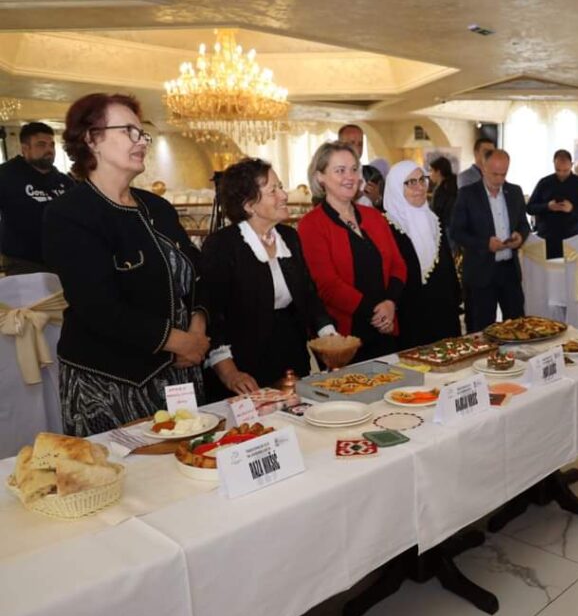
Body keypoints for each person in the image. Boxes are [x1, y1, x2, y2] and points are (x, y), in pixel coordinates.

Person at [42, 93, 210, 436]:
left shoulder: (158, 207)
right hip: (110, 383)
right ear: (92, 140)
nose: (141, 141)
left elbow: (198, 275)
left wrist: (197, 328)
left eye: (142, 133)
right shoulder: (70, 213)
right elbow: (98, 307)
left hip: (179, 372)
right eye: (128, 131)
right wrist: (180, 342)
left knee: (190, 462)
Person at [200, 158, 340, 400]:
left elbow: (309, 294)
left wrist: (330, 337)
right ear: (248, 205)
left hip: (290, 354)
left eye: (281, 187)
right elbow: (214, 316)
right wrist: (229, 373)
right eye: (273, 191)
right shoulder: (222, 245)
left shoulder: (288, 237)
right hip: (242, 364)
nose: (284, 195)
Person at [299, 142, 406, 362]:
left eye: (354, 169)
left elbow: (398, 265)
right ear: (320, 177)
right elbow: (327, 285)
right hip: (345, 336)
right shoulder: (311, 224)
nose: (350, 177)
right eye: (340, 170)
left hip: (385, 325)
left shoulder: (374, 216)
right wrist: (376, 313)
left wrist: (390, 304)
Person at [450, 148, 530, 332]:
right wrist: (485, 244)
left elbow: (524, 225)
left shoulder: (515, 192)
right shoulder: (467, 194)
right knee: (481, 329)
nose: (499, 180)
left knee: (517, 327)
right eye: (495, 174)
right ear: (483, 168)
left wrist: (520, 236)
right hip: (480, 273)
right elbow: (456, 232)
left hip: (509, 271)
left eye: (504, 174)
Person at [384, 160, 461, 349]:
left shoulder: (434, 220)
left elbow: (448, 268)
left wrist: (455, 300)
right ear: (396, 187)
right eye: (411, 182)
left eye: (422, 180)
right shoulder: (387, 227)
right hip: (409, 315)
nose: (419, 187)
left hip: (443, 311)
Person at [0, 122, 74, 274]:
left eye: (51, 145)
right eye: (41, 145)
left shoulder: (64, 181)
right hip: (23, 262)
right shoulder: (6, 176)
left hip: (63, 258)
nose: (49, 150)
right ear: (25, 148)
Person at [526, 149, 578, 259]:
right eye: (558, 170)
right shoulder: (544, 183)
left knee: (570, 269)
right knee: (546, 269)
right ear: (553, 164)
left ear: (571, 165)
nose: (562, 174)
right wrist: (547, 206)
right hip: (546, 238)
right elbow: (530, 208)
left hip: (571, 239)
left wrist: (572, 209)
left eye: (566, 170)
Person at [428, 156, 459, 237]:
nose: (429, 174)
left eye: (431, 171)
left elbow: (436, 212)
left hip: (445, 231)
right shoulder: (455, 184)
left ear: (438, 172)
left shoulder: (442, 190)